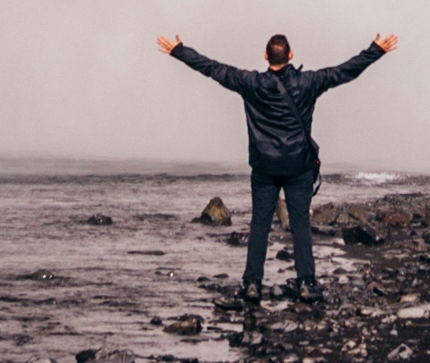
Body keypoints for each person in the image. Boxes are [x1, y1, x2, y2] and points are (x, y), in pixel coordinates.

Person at [157, 30, 397, 304]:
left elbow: (212, 68)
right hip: (298, 167)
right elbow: (345, 71)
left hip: (264, 168)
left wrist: (179, 51)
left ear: (266, 56)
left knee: (259, 224)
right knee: (300, 225)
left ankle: (252, 285)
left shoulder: (250, 83)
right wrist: (376, 50)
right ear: (291, 56)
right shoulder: (309, 82)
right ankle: (306, 283)